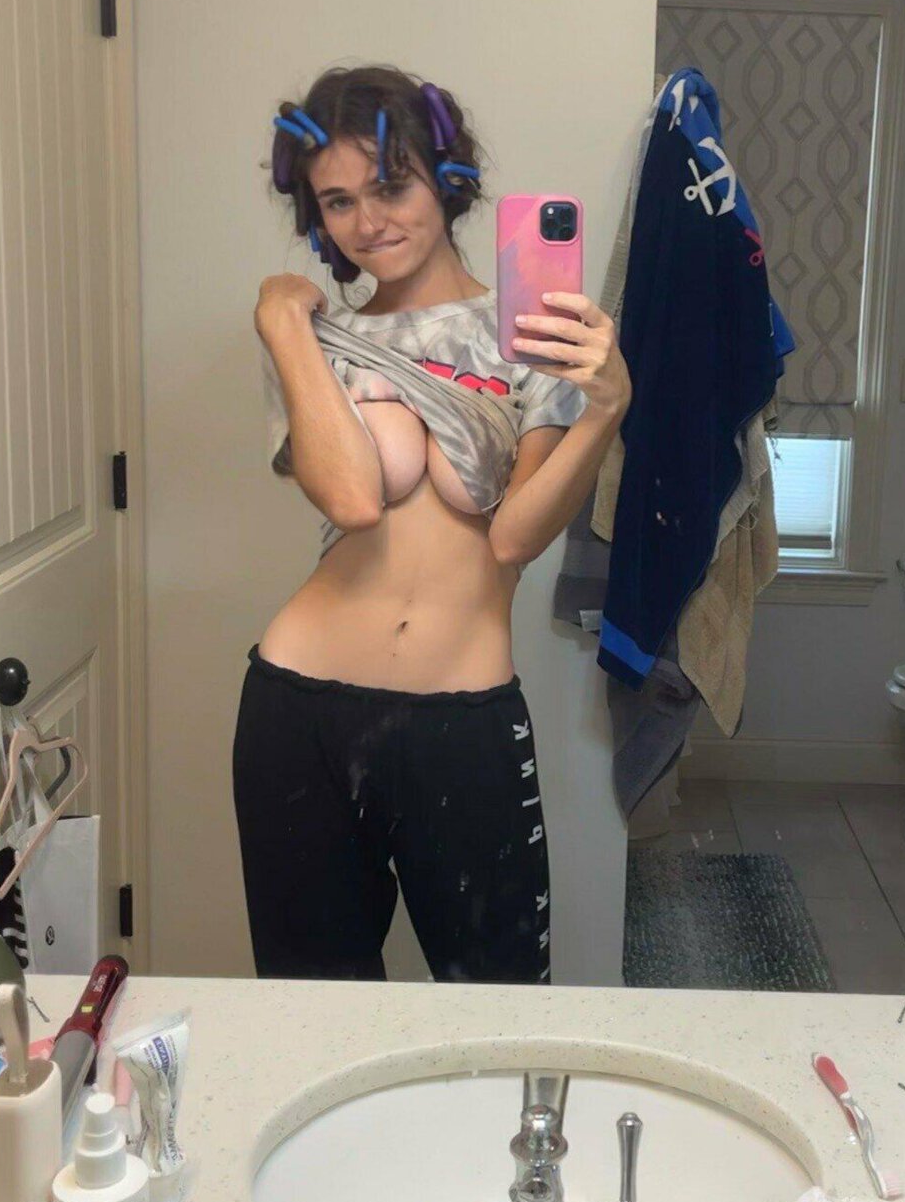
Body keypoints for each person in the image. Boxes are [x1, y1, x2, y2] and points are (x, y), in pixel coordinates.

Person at [232, 65, 629, 984]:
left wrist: (608, 408)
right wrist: (284, 327)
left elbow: (514, 538)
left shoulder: (533, 334)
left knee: (499, 1014)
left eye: (390, 185)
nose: (367, 221)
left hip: (463, 721)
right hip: (298, 713)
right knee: (314, 1014)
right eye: (337, 201)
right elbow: (351, 499)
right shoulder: (318, 342)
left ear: (445, 180)